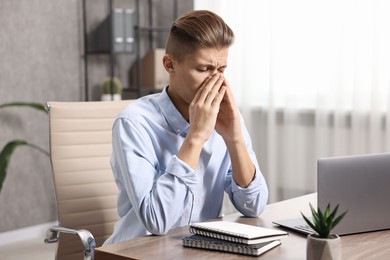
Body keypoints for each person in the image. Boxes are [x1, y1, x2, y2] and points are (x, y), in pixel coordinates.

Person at [104, 9, 268, 245]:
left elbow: (254, 206)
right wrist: (197, 136)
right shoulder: (133, 123)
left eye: (221, 70)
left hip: (198, 249)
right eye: (203, 69)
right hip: (138, 251)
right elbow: (157, 221)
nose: (216, 81)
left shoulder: (227, 119)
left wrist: (235, 139)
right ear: (170, 64)